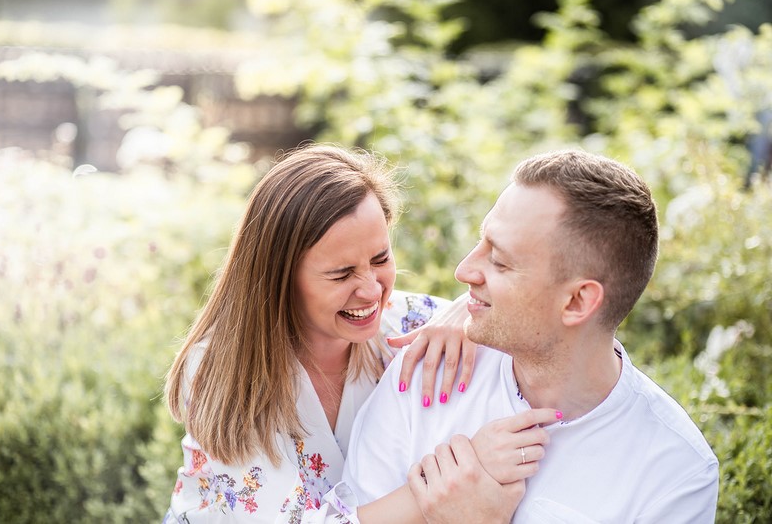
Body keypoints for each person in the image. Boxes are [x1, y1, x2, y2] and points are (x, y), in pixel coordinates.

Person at [336, 150, 719, 523]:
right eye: (480, 243)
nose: (464, 270)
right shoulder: (429, 371)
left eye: (499, 261)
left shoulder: (674, 474)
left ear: (577, 301)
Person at [162, 143, 508, 523]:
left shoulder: (412, 325)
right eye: (341, 274)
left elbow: (531, 320)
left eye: (381, 259)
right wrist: (440, 489)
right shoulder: (222, 370)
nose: (372, 291)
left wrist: (467, 310)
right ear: (280, 279)